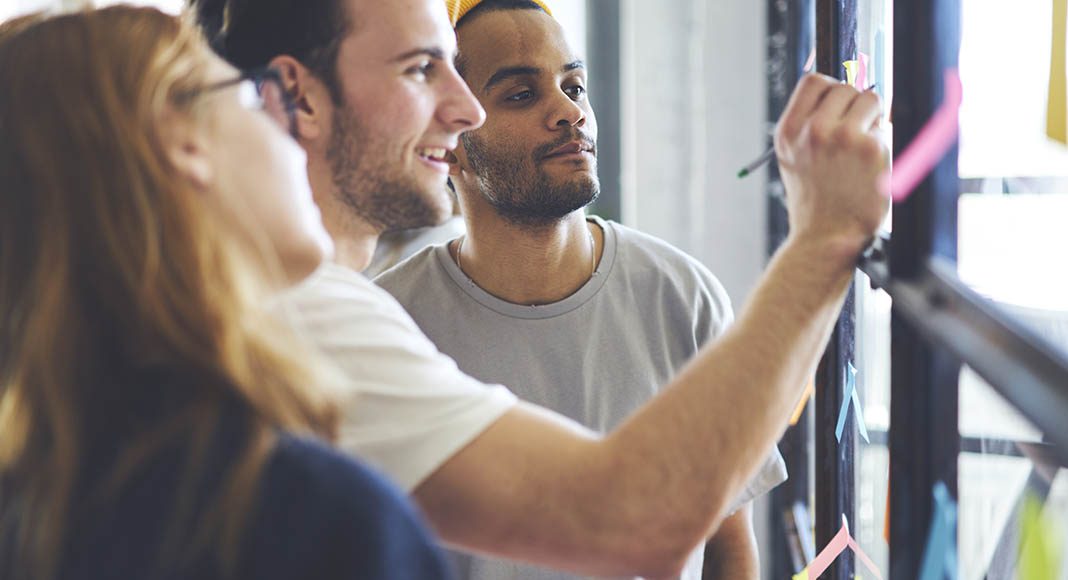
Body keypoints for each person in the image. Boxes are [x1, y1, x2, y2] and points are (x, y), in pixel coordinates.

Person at [190, 0, 888, 576]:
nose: (462, 109)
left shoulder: (304, 307)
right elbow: (632, 518)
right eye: (420, 69)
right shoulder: (312, 324)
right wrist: (825, 237)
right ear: (299, 97)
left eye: (574, 87)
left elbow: (714, 536)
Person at [0, 7, 450, 580]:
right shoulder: (311, 519)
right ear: (183, 142)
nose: (285, 128)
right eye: (254, 96)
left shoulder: (34, 503)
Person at [375, 1, 785, 578]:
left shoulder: (682, 297)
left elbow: (729, 543)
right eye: (521, 94)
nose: (570, 112)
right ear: (451, 140)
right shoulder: (389, 323)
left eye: (575, 85)